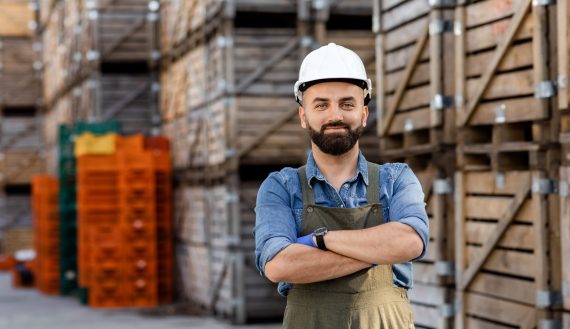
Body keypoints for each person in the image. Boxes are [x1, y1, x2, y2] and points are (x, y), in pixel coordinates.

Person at [254, 43, 428, 328]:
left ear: (364, 113)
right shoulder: (280, 187)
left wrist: (319, 241)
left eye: (347, 104)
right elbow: (280, 265)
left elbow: (410, 241)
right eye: (321, 105)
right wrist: (378, 251)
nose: (335, 115)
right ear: (303, 116)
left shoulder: (396, 179)